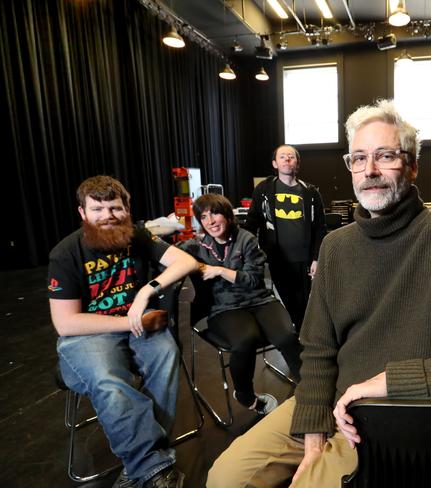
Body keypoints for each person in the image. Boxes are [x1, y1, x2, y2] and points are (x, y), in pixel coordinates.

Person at [206, 99, 431, 488]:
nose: (369, 170)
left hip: (394, 419)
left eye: (384, 155)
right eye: (358, 158)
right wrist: (313, 436)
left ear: (413, 165)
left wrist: (392, 380)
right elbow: (319, 350)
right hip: (331, 404)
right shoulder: (336, 247)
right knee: (224, 478)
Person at [48, 175, 198, 488]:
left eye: (114, 208)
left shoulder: (138, 236)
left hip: (137, 323)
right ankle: (154, 467)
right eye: (97, 209)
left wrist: (146, 291)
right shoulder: (66, 253)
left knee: (166, 356)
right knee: (109, 380)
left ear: (126, 209)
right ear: (83, 213)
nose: (107, 216)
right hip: (89, 333)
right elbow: (66, 323)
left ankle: (140, 464)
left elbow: (186, 261)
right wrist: (133, 322)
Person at [178, 194, 302, 415]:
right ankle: (245, 395)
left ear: (227, 214)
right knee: (245, 340)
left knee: (287, 336)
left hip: (260, 300)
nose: (211, 221)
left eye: (215, 213)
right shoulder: (196, 246)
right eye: (204, 217)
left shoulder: (246, 239)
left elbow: (254, 279)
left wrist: (220, 271)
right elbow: (164, 256)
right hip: (224, 308)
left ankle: (310, 390)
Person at [243, 145, 327, 333]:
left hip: (304, 258)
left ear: (297, 162)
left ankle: (305, 336)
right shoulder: (264, 189)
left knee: (306, 301)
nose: (287, 159)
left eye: (291, 156)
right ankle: (300, 334)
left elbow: (320, 228)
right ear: (275, 163)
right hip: (277, 257)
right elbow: (252, 222)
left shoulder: (310, 192)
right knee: (288, 299)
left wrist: (316, 258)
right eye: (282, 156)